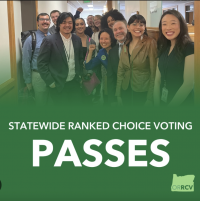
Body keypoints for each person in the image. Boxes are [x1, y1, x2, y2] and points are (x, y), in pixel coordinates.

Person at [37, 12, 84, 106]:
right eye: (63, 22)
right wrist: (51, 82)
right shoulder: (49, 40)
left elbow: (79, 59)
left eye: (70, 22)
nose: (67, 25)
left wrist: (79, 76)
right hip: (58, 85)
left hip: (74, 83)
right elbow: (41, 63)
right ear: (58, 24)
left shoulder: (77, 39)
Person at [154, 10, 194, 107]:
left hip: (181, 103)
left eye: (173, 23)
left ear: (181, 25)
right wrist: (156, 104)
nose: (168, 27)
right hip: (162, 101)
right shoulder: (162, 47)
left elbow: (189, 83)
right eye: (164, 24)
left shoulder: (190, 47)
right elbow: (157, 80)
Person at [115, 14, 157, 107]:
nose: (138, 27)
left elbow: (154, 72)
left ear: (144, 27)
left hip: (142, 90)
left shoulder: (150, 42)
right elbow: (121, 69)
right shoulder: (126, 44)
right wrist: (118, 94)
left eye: (141, 25)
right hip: (125, 88)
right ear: (128, 27)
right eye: (134, 24)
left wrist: (150, 98)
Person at [22, 13, 51, 106]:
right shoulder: (31, 39)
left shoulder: (53, 37)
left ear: (50, 22)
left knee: (53, 103)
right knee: (41, 104)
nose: (45, 21)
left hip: (53, 76)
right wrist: (28, 80)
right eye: (42, 19)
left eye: (47, 19)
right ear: (38, 22)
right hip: (39, 76)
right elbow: (25, 61)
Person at [85, 28, 116, 104]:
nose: (103, 41)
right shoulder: (101, 52)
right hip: (107, 82)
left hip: (118, 83)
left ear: (112, 39)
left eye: (106, 39)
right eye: (101, 39)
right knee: (107, 103)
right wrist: (90, 51)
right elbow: (88, 66)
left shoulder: (117, 50)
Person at [74, 18, 96, 103]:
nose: (79, 26)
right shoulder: (70, 39)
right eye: (77, 24)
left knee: (87, 100)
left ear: (85, 25)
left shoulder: (91, 41)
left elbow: (93, 58)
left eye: (81, 24)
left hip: (87, 74)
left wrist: (89, 73)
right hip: (73, 75)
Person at [107, 20, 128, 106]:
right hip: (120, 94)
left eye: (120, 28)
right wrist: (112, 99)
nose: (118, 31)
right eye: (115, 30)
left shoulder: (135, 46)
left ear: (127, 29)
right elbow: (111, 76)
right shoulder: (112, 52)